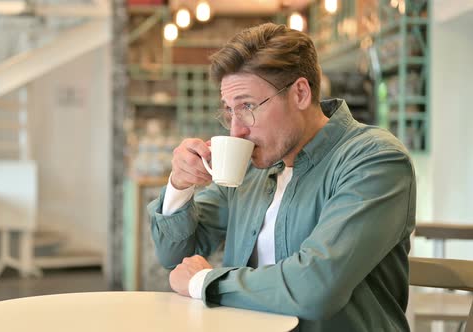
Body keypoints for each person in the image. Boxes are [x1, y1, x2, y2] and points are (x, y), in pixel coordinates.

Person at [147, 23, 415, 331]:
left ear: (300, 93)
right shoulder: (249, 168)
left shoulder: (375, 160)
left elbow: (316, 286)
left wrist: (204, 281)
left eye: (247, 106)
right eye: (229, 111)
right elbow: (176, 256)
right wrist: (179, 186)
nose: (236, 130)